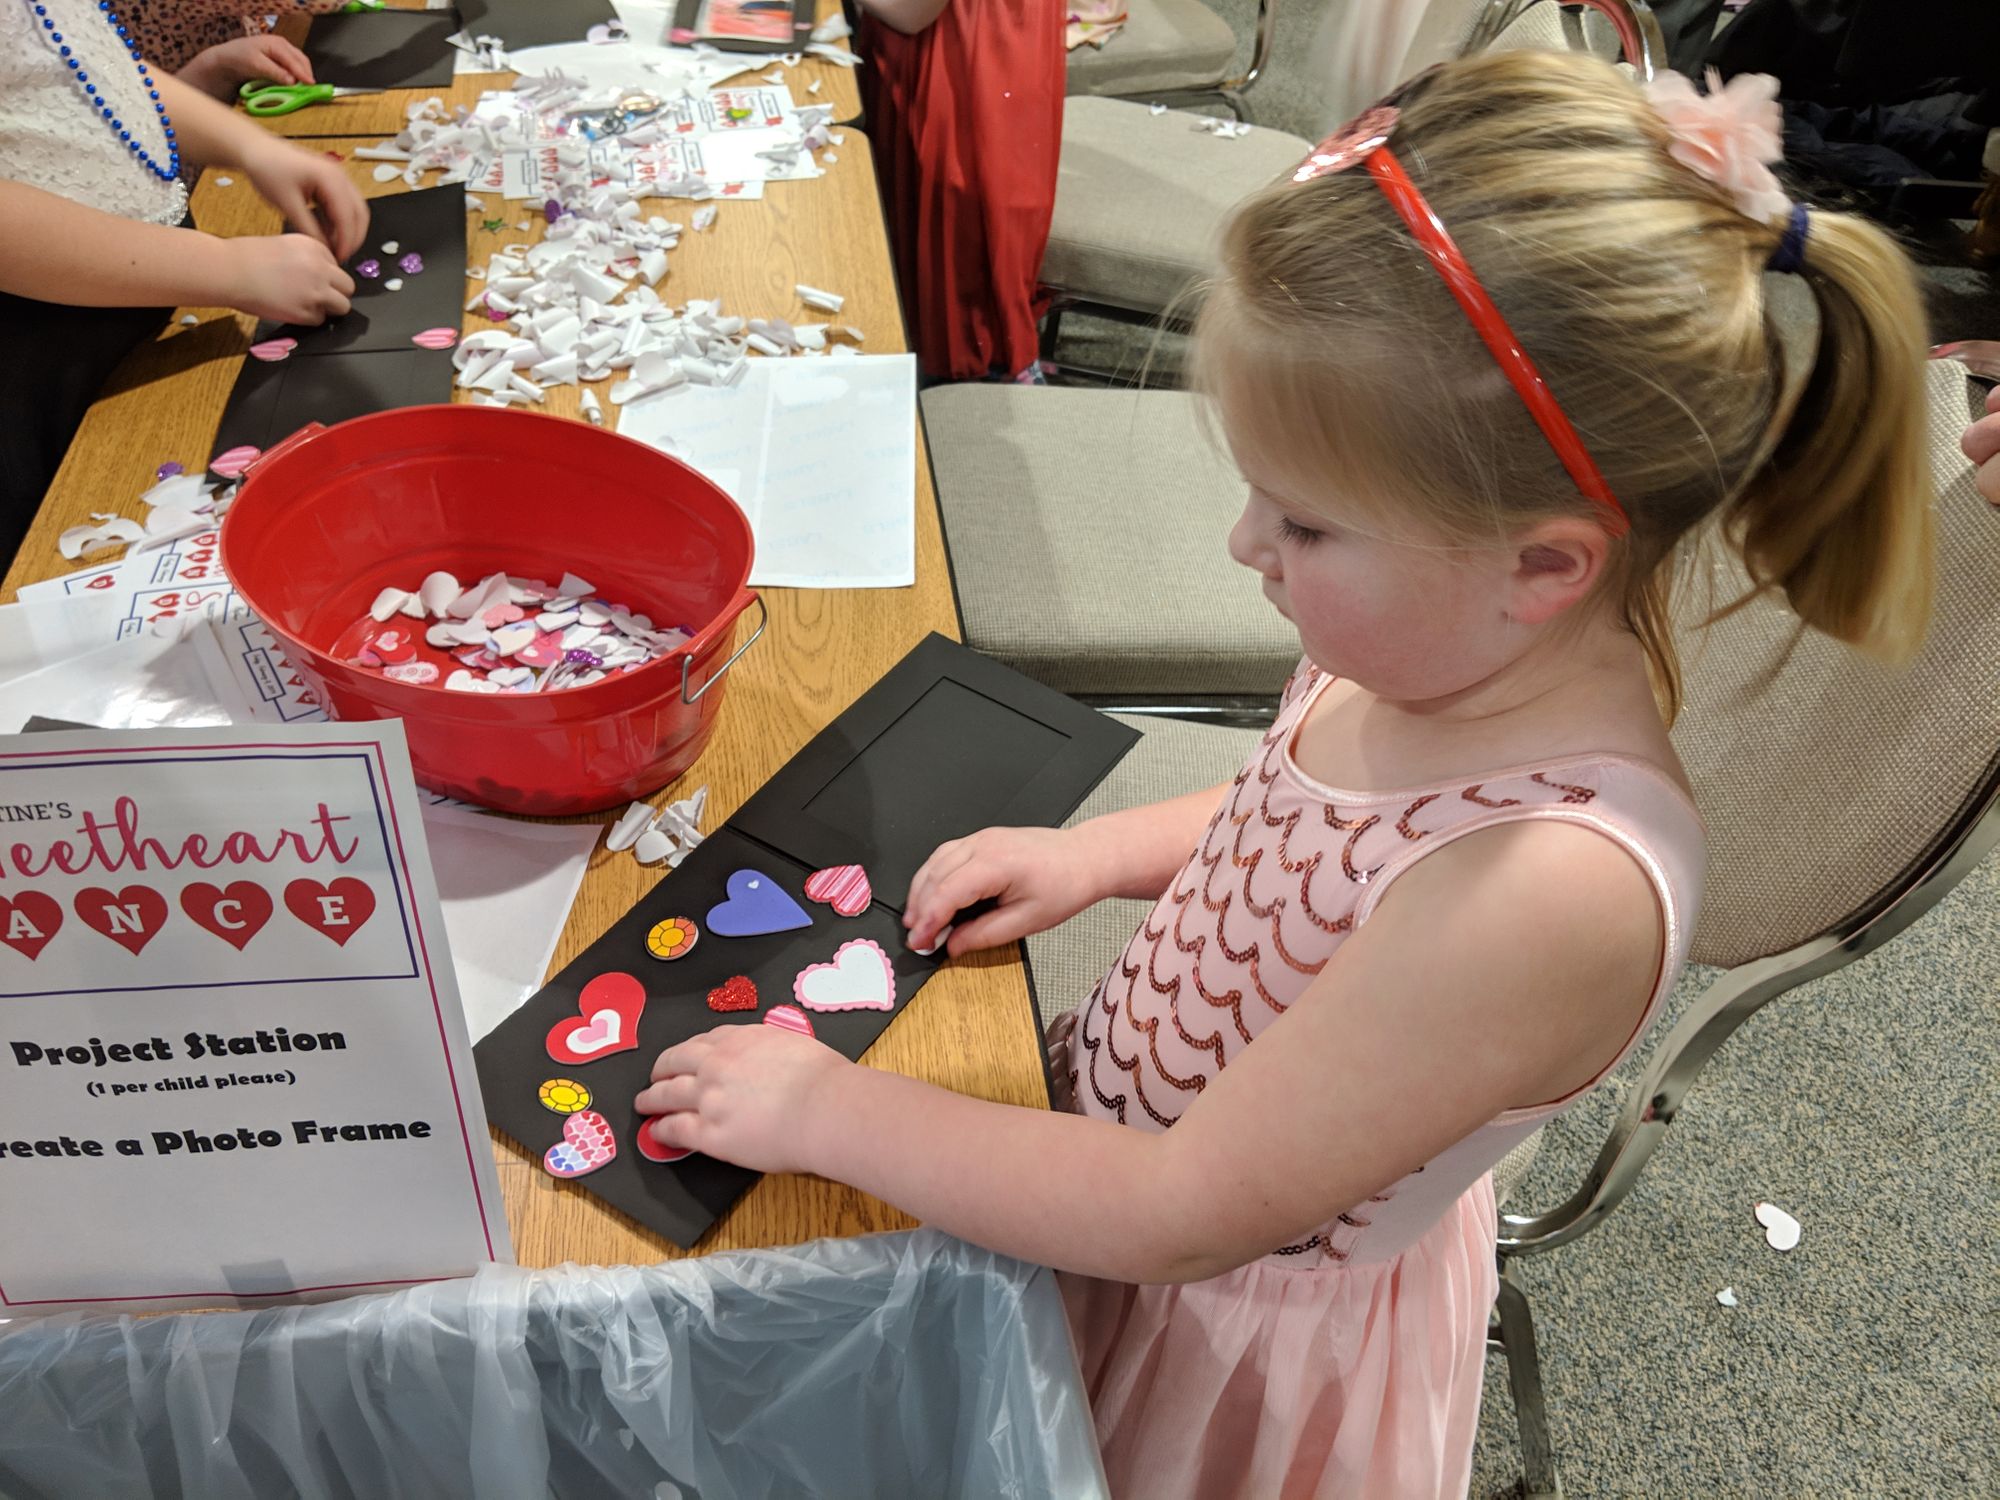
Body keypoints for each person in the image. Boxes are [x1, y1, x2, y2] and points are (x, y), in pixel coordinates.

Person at [636, 49, 1935, 1498]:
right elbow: (1306, 815)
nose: (1245, 545)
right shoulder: (1435, 654)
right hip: (1124, 1175)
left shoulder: (1551, 890)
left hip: (1216, 1330)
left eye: (1304, 524)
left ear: (1543, 565)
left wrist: (826, 1114)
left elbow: (1180, 1214)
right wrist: (1099, 857)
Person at [0, 0, 365, 545]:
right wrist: (228, 266)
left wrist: (249, 145)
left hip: (147, 295)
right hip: (42, 352)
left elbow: (84, 69)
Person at [857, 0, 1063, 383]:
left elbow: (912, 13)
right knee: (985, 211)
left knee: (956, 228)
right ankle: (982, 346)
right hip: (991, 44)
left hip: (958, 56)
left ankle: (961, 375)